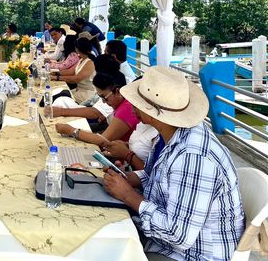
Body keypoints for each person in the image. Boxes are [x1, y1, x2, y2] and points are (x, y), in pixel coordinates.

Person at [103, 67, 244, 261]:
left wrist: (128, 195)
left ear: (152, 111)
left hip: (192, 255)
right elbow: (158, 177)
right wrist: (128, 178)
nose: (132, 106)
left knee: (107, 250)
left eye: (137, 102)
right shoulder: (170, 134)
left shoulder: (193, 157)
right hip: (165, 242)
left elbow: (178, 235)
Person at [55, 70, 140, 145]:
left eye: (104, 97)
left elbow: (103, 140)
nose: (103, 102)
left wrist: (72, 131)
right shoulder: (123, 103)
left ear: (118, 92)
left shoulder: (126, 109)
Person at [51, 37, 96, 102]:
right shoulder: (82, 59)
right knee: (56, 92)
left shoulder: (89, 62)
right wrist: (54, 73)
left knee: (58, 99)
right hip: (79, 90)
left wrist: (56, 77)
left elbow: (76, 79)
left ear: (77, 49)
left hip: (86, 94)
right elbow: (71, 72)